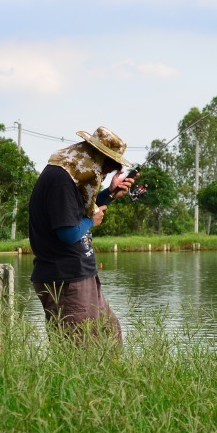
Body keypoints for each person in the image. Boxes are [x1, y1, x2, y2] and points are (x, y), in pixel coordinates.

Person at [28, 126, 137, 343]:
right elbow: (68, 233)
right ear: (96, 158)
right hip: (66, 281)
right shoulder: (61, 179)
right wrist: (91, 221)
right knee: (80, 352)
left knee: (110, 339)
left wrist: (110, 194)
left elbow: (77, 214)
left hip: (83, 275)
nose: (103, 175)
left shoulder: (73, 175)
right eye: (105, 170)